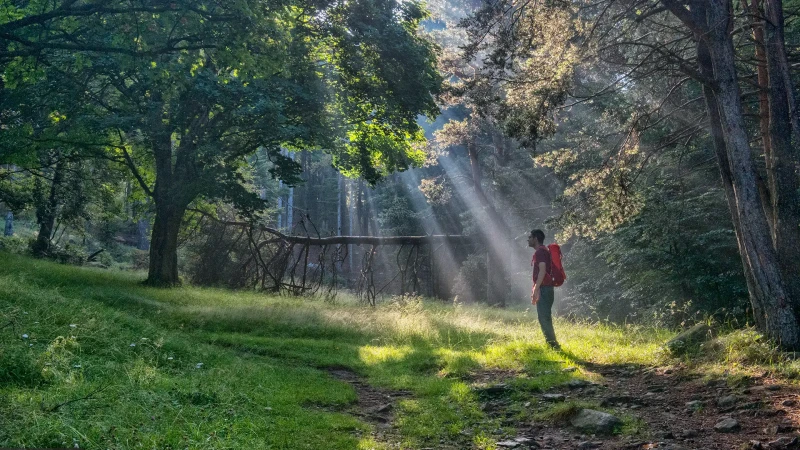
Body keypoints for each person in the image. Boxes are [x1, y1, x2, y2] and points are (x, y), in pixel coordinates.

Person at [528, 229, 560, 350]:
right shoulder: (543, 251)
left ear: (535, 238)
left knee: (544, 317)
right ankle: (552, 343)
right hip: (546, 288)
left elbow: (542, 270)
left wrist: (536, 289)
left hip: (544, 288)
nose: (528, 240)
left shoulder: (540, 252)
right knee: (545, 316)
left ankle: (553, 345)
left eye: (530, 237)